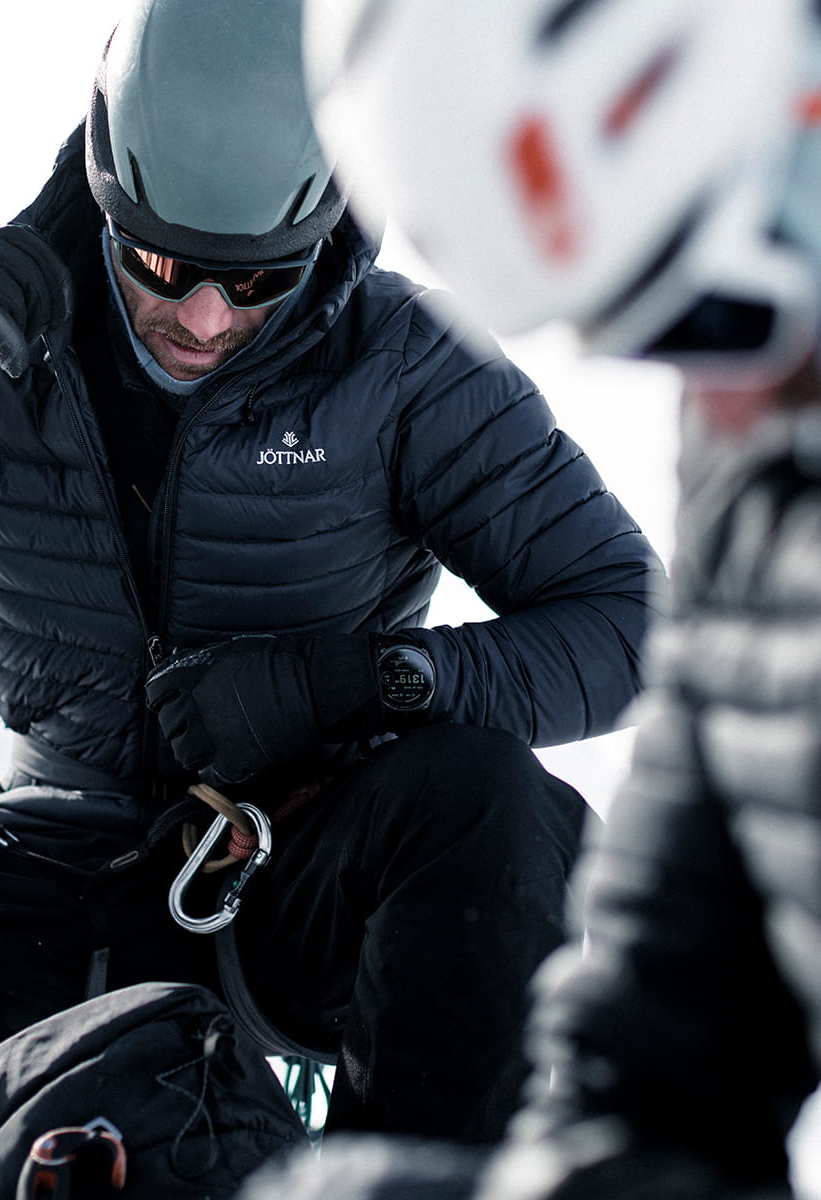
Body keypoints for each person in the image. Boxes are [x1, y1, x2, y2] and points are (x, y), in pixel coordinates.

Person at [0, 1, 661, 1197]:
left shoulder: (407, 368)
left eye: (259, 280)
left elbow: (630, 626)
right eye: (166, 266)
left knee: (494, 803)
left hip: (297, 867)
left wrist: (354, 681)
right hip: (48, 863)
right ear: (106, 191)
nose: (207, 318)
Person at [283, 0, 821, 1196]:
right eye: (645, 339)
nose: (713, 402)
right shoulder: (762, 428)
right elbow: (661, 1042)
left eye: (715, 312)